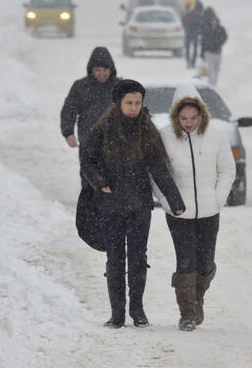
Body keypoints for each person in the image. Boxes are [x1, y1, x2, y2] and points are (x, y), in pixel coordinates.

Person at [81, 79, 186, 329]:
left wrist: (175, 201)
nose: (134, 107)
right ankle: (117, 314)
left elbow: (159, 168)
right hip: (110, 206)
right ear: (118, 103)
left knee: (138, 258)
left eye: (138, 103)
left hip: (140, 206)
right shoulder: (103, 128)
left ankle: (137, 310)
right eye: (129, 103)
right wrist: (99, 181)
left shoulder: (147, 129)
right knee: (115, 259)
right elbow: (88, 161)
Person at [158, 83, 235, 331]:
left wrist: (217, 199)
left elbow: (227, 170)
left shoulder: (216, 135)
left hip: (209, 212)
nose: (188, 123)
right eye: (183, 118)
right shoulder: (165, 136)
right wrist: (170, 204)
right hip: (178, 213)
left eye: (193, 118)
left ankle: (197, 297)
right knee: (186, 261)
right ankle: (187, 313)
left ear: (201, 114)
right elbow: (157, 176)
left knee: (205, 263)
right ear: (175, 116)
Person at [60, 46, 121, 186]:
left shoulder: (119, 87)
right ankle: (90, 203)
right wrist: (68, 133)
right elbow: (69, 110)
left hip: (115, 142)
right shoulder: (80, 86)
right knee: (89, 178)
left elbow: (132, 111)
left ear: (111, 70)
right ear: (91, 70)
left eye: (105, 70)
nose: (101, 74)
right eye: (97, 70)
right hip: (88, 140)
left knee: (114, 177)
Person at [200, 7, 228, 86]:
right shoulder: (207, 29)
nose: (214, 22)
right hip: (208, 51)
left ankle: (215, 82)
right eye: (212, 20)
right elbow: (203, 41)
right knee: (210, 67)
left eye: (215, 20)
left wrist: (220, 42)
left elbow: (225, 37)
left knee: (217, 68)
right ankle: (210, 82)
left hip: (217, 51)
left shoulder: (220, 29)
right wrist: (202, 52)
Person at [181, 1, 203, 69]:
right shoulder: (199, 15)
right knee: (195, 49)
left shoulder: (187, 14)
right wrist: (199, 32)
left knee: (187, 49)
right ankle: (193, 63)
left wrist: (186, 28)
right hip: (195, 33)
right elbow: (200, 25)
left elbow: (183, 22)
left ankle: (188, 62)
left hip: (188, 33)